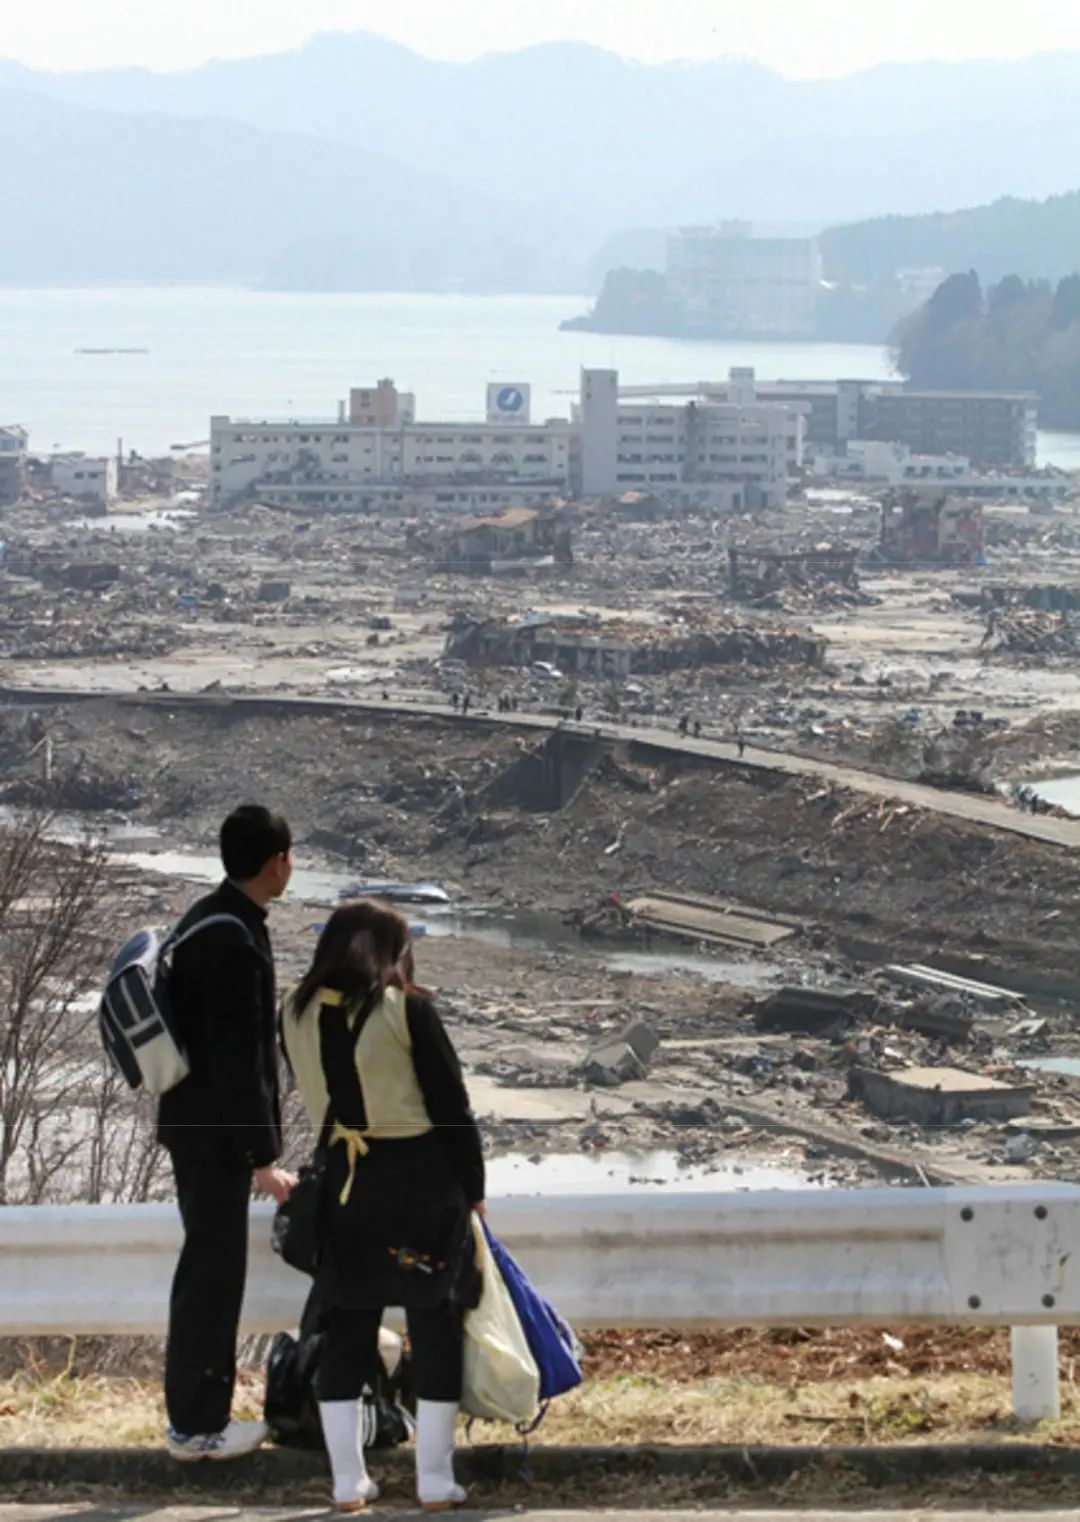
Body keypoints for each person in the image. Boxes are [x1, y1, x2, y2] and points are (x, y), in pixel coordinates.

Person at [281, 900, 485, 1513]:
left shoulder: (294, 1010)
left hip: (344, 1183)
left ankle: (349, 1481)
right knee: (435, 1325)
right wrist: (474, 1189)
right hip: (421, 1183)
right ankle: (434, 1480)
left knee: (346, 1327)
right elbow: (452, 1107)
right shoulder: (406, 1010)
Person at [158, 805, 297, 1462]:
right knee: (211, 1280)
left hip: (192, 1127)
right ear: (275, 863)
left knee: (206, 1274)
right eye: (289, 857)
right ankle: (197, 1427)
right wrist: (261, 1157)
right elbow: (239, 1062)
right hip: (215, 1139)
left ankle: (197, 1419)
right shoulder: (236, 941)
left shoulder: (207, 918)